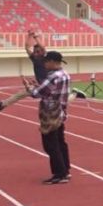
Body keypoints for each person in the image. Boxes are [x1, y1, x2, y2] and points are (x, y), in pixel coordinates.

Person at [29, 51, 72, 184]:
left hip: (50, 113)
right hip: (60, 111)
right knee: (60, 142)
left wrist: (30, 88)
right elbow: (50, 91)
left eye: (46, 61)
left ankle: (59, 174)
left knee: (50, 145)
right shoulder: (65, 74)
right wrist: (38, 87)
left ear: (52, 62)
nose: (45, 64)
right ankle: (65, 170)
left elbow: (37, 93)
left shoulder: (53, 77)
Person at [0, 30, 47, 112]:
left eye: (38, 51)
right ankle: (2, 105)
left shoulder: (46, 58)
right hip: (40, 86)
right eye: (35, 51)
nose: (35, 53)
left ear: (42, 52)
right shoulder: (35, 58)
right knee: (22, 93)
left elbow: (43, 47)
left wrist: (35, 37)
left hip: (48, 86)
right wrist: (29, 36)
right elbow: (27, 47)